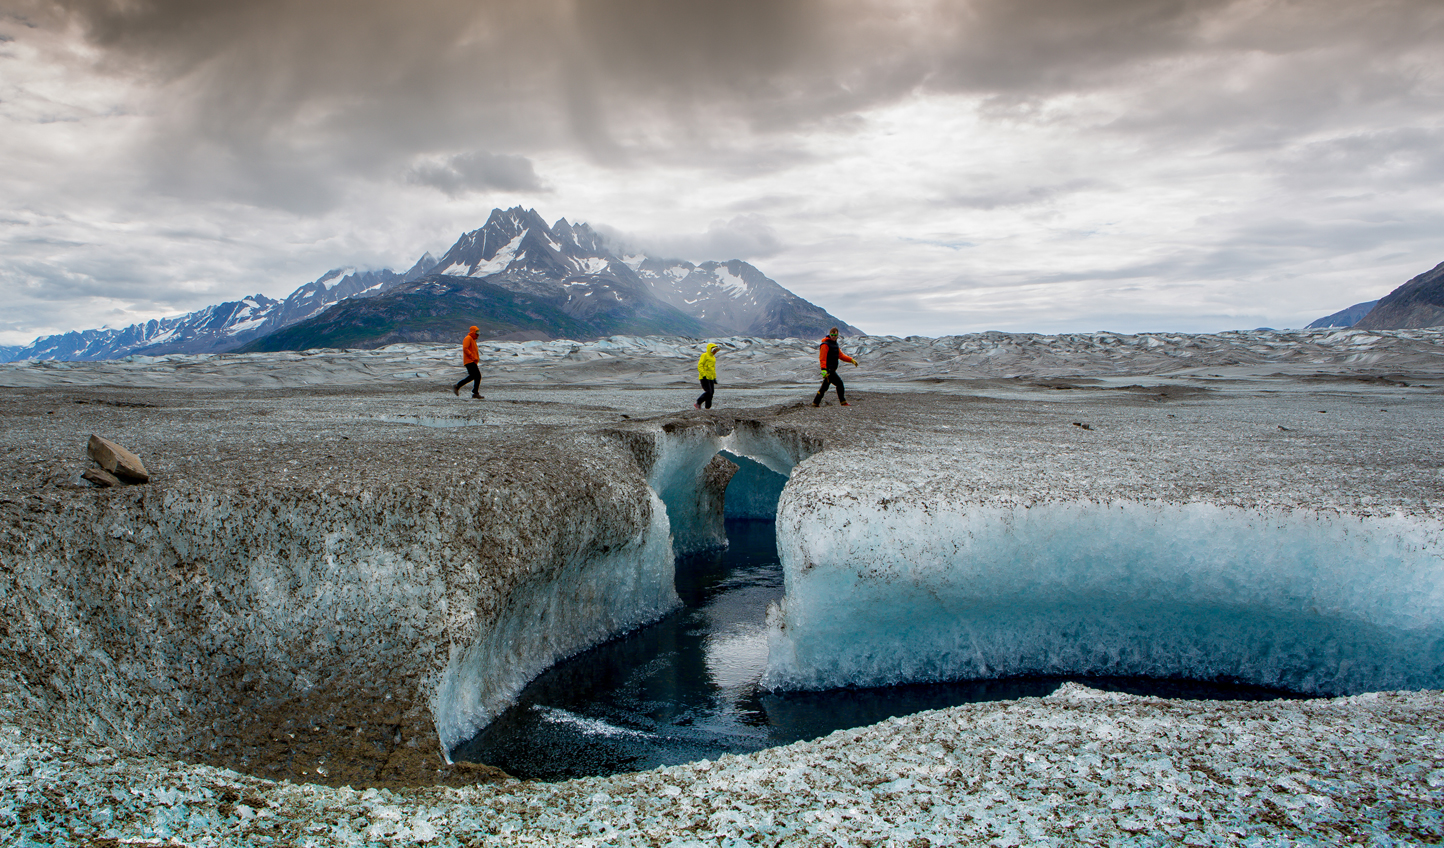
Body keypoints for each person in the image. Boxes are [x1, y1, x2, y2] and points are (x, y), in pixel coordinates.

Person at [813, 327, 859, 407]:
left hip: (831, 370)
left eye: (835, 334)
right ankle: (843, 402)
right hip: (829, 371)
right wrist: (823, 370)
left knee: (824, 388)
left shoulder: (835, 344)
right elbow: (822, 358)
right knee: (839, 384)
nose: (833, 336)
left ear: (837, 335)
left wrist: (851, 360)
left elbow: (841, 356)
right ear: (830, 334)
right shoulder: (825, 345)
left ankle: (816, 403)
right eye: (832, 334)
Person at [452, 325, 484, 399]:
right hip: (469, 361)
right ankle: (474, 392)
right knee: (476, 376)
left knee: (474, 376)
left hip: (472, 361)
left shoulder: (472, 340)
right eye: (477, 332)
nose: (478, 334)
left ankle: (460, 387)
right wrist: (472, 356)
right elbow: (465, 348)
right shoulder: (468, 338)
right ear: (473, 332)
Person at [695, 343, 721, 409]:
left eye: (716, 350)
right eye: (714, 350)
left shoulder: (713, 358)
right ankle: (698, 402)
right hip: (704, 377)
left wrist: (714, 377)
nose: (715, 352)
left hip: (711, 377)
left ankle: (708, 408)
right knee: (708, 392)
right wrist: (703, 375)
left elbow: (713, 369)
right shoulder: (704, 355)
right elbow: (700, 365)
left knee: (711, 393)